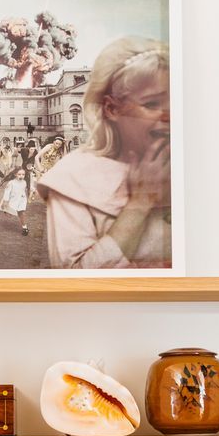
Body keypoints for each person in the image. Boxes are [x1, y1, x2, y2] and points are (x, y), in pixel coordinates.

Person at [37, 37, 171, 268]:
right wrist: (140, 202)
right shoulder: (73, 178)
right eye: (151, 104)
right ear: (111, 109)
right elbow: (75, 281)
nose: (169, 116)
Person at [0, 146, 31, 236]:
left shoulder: (24, 182)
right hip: (12, 199)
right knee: (9, 214)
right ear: (15, 174)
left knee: (21, 213)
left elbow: (25, 190)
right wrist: (5, 202)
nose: (21, 176)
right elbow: (7, 193)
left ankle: (25, 227)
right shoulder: (11, 183)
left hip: (21, 200)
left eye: (23, 175)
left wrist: (30, 193)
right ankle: (6, 210)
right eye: (19, 174)